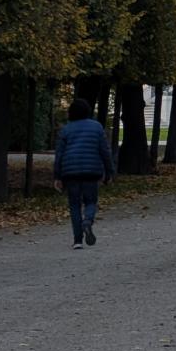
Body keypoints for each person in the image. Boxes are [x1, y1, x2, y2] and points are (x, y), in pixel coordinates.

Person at [53, 96, 113, 249]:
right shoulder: (97, 127)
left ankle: (78, 240)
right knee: (91, 201)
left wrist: (57, 176)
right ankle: (88, 221)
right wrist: (109, 171)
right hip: (91, 171)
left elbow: (59, 154)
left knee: (74, 205)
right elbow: (104, 151)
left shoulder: (66, 130)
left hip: (70, 172)